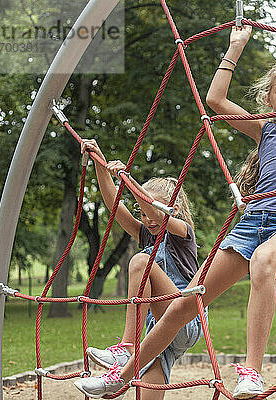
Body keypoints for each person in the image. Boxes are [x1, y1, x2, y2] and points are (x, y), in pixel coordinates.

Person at [74, 19, 276, 399]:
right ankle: (124, 374)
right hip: (250, 224)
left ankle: (252, 371)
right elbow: (215, 101)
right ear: (269, 99)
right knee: (186, 303)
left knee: (263, 261)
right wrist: (235, 46)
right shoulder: (264, 130)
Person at [74, 139, 205, 400]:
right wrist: (100, 162)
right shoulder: (147, 234)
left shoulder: (182, 233)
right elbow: (114, 206)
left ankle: (127, 346)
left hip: (187, 318)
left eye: (150, 213)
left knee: (140, 262)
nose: (146, 219)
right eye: (142, 215)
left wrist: (128, 180)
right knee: (149, 371)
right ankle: (132, 353)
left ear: (173, 209)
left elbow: (158, 214)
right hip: (159, 325)